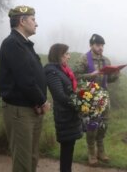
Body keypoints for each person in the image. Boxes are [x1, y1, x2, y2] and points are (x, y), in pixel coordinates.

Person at [0, 5, 50, 172]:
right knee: (23, 161)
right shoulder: (12, 43)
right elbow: (25, 80)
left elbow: (33, 76)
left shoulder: (24, 44)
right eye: (33, 19)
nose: (36, 24)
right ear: (22, 21)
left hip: (30, 108)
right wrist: (41, 101)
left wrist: (37, 102)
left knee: (32, 157)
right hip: (19, 111)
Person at [73, 34, 120, 165]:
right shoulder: (84, 59)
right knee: (92, 124)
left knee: (104, 124)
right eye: (98, 45)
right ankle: (91, 152)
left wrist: (115, 75)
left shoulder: (106, 60)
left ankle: (101, 151)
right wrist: (90, 75)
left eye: (102, 45)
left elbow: (108, 79)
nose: (101, 48)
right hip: (90, 97)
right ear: (91, 45)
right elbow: (75, 77)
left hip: (104, 96)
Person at [44, 43, 83, 172]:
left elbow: (69, 90)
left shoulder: (63, 70)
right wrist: (79, 103)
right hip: (64, 116)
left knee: (69, 148)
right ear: (58, 55)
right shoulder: (52, 72)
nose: (69, 57)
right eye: (66, 54)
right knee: (66, 150)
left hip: (70, 115)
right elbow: (60, 96)